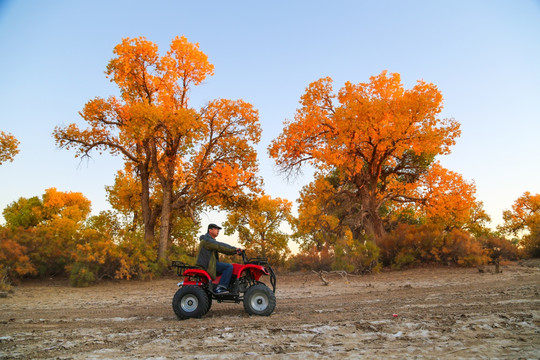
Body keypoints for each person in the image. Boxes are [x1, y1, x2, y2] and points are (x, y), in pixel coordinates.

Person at [195, 223, 242, 294]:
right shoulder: (207, 240)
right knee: (229, 267)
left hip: (208, 264)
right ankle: (221, 287)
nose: (218, 231)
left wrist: (234, 252)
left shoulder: (209, 240)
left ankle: (228, 286)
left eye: (218, 229)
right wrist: (234, 250)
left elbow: (222, 249)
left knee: (229, 266)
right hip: (207, 265)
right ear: (210, 230)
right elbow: (220, 246)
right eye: (216, 229)